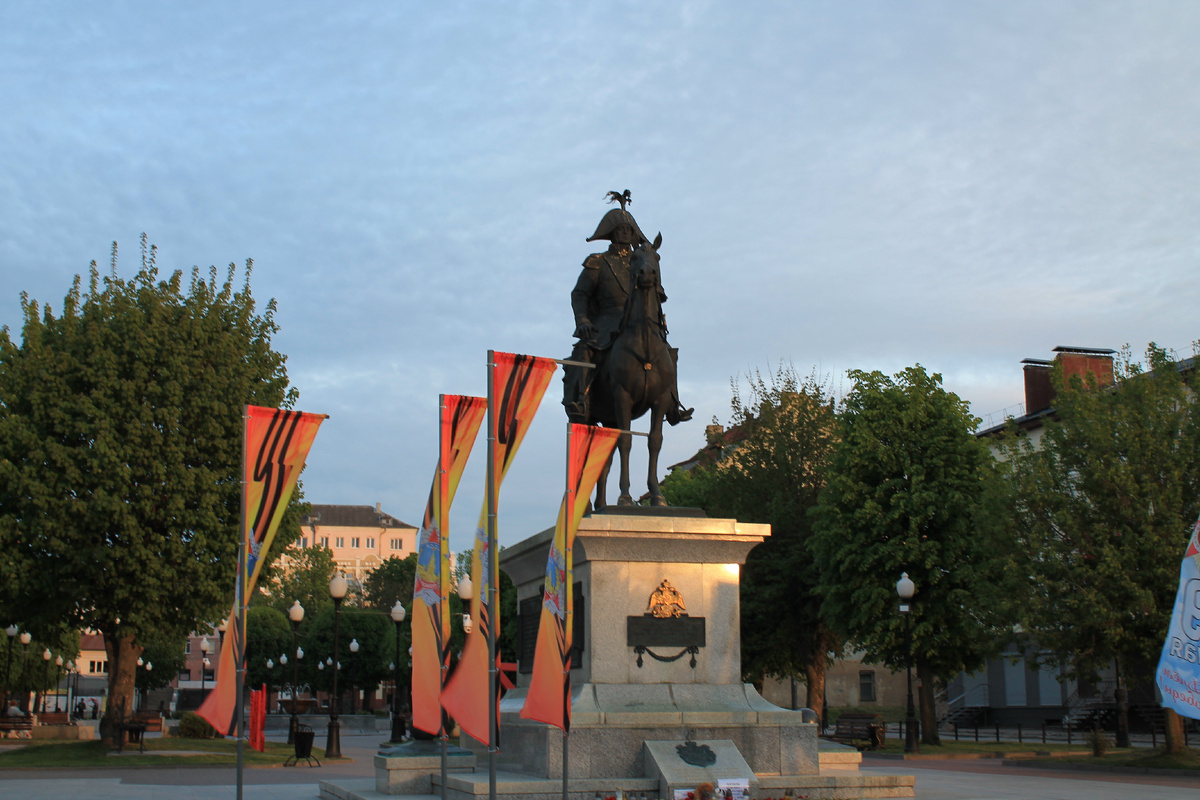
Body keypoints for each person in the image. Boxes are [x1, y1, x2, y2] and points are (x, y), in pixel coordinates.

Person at [563, 194, 692, 425]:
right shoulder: (598, 261)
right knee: (586, 349)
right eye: (620, 228)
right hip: (606, 319)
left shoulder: (642, 259)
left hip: (639, 317)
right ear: (611, 231)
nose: (624, 232)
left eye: (628, 228)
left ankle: (672, 403)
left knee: (667, 352)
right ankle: (582, 400)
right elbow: (580, 293)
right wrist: (582, 319)